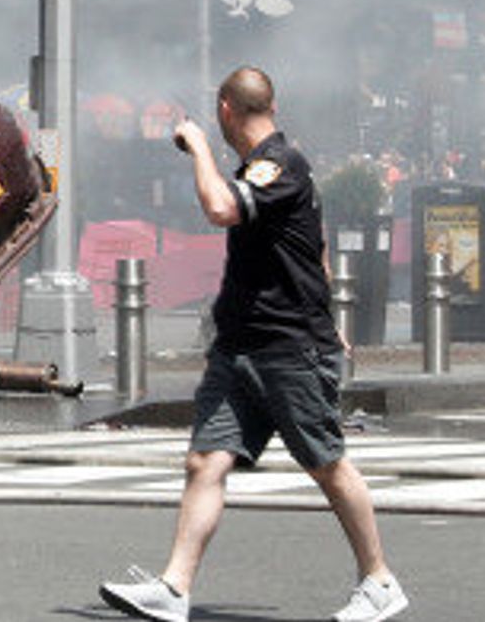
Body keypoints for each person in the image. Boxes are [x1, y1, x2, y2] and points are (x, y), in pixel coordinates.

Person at [99, 67, 407, 622]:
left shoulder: (279, 162)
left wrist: (195, 147)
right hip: (241, 347)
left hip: (288, 346)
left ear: (224, 110)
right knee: (204, 461)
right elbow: (315, 247)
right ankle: (174, 587)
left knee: (327, 463)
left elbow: (221, 208)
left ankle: (379, 580)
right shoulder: (268, 166)